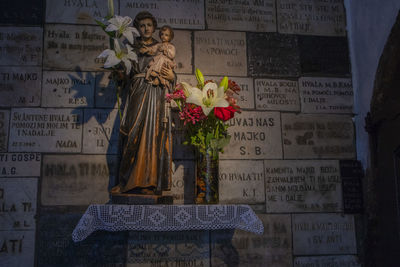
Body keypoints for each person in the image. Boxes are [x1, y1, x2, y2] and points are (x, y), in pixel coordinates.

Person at [111, 11, 175, 195]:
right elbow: (125, 73)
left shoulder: (162, 46)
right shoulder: (130, 47)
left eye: (149, 25)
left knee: (151, 137)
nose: (146, 28)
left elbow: (170, 71)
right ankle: (125, 182)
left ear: (154, 28)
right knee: (132, 133)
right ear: (138, 28)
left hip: (156, 93)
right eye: (142, 25)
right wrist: (119, 73)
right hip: (137, 91)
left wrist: (172, 76)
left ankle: (148, 183)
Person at [142, 25, 176, 90]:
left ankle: (156, 73)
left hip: (167, 62)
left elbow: (172, 55)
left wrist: (165, 50)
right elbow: (153, 49)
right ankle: (157, 79)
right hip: (159, 62)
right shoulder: (159, 44)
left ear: (170, 37)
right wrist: (147, 49)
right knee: (156, 61)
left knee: (161, 60)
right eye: (162, 34)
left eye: (166, 35)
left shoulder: (171, 46)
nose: (163, 36)